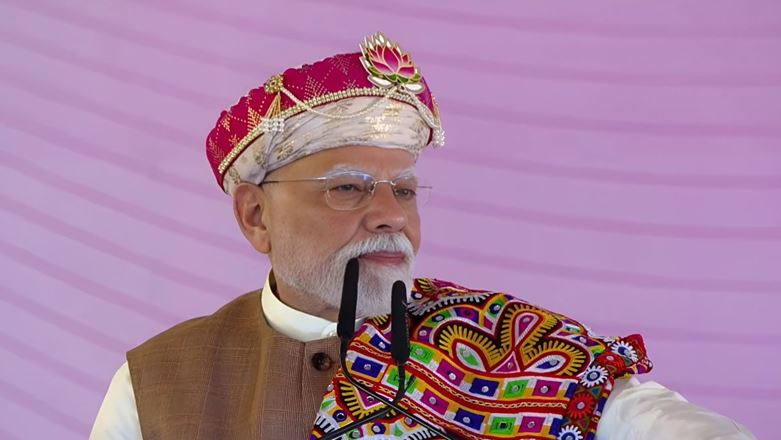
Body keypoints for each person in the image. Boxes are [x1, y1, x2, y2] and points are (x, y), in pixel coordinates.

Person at [90, 32, 756, 440]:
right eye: (348, 187)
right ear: (255, 216)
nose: (391, 215)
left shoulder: (509, 346)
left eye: (404, 190)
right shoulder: (160, 378)